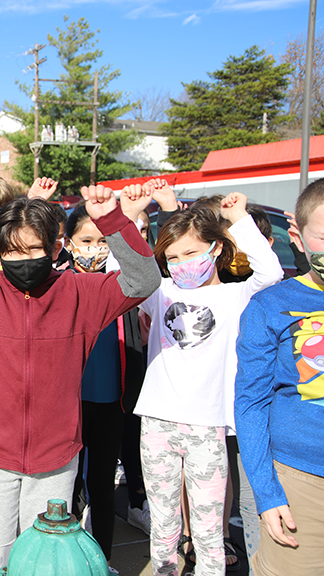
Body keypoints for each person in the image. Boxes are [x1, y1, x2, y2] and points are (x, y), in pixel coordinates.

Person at [0, 168, 161, 576]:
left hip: (55, 458)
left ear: (56, 247)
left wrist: (111, 219)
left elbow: (144, 277)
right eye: (12, 251)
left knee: (43, 560)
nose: (24, 260)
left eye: (34, 250)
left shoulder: (83, 292)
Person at [133, 184, 282, 576]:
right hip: (156, 423)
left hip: (208, 427)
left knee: (208, 528)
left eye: (192, 253)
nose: (182, 263)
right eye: (173, 257)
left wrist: (239, 221)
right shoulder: (160, 291)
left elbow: (273, 272)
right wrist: (132, 217)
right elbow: (126, 271)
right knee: (163, 523)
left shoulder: (237, 296)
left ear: (215, 249)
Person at [234, 179, 324, 576]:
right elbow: (251, 404)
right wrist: (267, 495)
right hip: (302, 481)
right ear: (298, 238)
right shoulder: (272, 307)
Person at [65, 186, 152, 573]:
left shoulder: (121, 285)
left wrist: (126, 219)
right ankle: (63, 559)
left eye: (102, 241)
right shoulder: (56, 284)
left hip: (111, 403)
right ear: (68, 244)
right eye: (86, 240)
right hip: (67, 405)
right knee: (65, 488)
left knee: (101, 485)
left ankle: (102, 561)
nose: (94, 248)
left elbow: (149, 266)